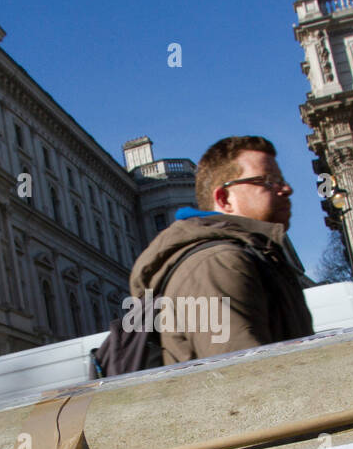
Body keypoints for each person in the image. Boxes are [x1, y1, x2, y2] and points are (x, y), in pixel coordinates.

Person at [129, 135, 313, 364]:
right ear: (224, 199)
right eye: (268, 180)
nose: (286, 189)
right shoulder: (217, 264)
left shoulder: (257, 258)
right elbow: (246, 381)